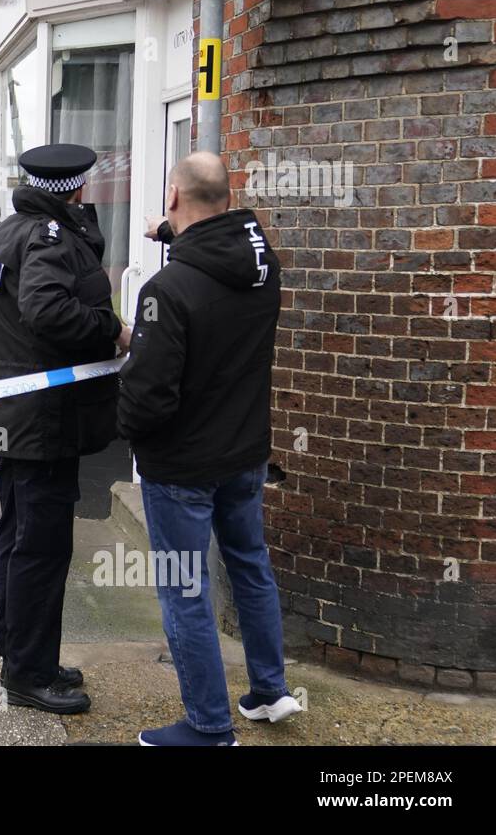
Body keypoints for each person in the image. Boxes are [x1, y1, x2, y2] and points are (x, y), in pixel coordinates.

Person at [119, 151, 301, 746]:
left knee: (185, 592)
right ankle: (270, 692)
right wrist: (174, 232)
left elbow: (148, 398)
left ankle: (207, 727)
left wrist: (127, 431)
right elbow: (212, 254)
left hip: (182, 469)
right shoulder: (262, 266)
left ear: (173, 197)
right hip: (245, 454)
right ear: (227, 197)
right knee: (250, 568)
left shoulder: (166, 290)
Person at [0, 143, 131, 715]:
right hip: (42, 420)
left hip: (16, 415)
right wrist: (112, 330)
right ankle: (28, 674)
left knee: (18, 539)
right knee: (40, 548)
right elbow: (46, 311)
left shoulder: (4, 233)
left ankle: (21, 652)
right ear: (77, 187)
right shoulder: (47, 238)